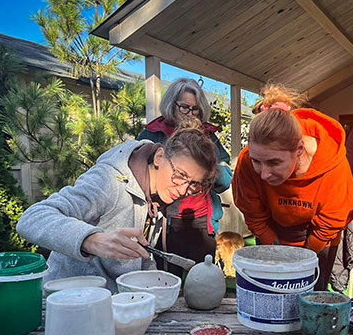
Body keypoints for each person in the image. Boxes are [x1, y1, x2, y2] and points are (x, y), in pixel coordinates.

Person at [16, 120, 218, 291]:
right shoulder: (108, 181)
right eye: (180, 175)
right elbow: (32, 217)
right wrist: (92, 240)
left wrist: (157, 285)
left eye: (193, 185)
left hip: (116, 309)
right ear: (159, 157)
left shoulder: (160, 196)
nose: (183, 190)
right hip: (69, 301)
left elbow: (142, 254)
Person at [232, 83, 353, 291]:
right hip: (271, 227)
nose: (264, 174)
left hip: (318, 234)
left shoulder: (333, 165)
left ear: (299, 149)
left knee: (309, 296)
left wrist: (303, 258)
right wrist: (274, 248)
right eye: (257, 161)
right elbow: (252, 210)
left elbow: (333, 217)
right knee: (270, 293)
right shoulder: (247, 160)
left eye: (274, 163)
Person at [137, 78, 232, 277]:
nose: (190, 114)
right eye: (185, 107)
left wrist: (205, 169)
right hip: (164, 222)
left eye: (195, 109)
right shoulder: (154, 134)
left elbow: (226, 180)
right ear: (172, 105)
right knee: (164, 277)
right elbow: (137, 174)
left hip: (201, 221)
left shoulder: (209, 137)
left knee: (201, 279)